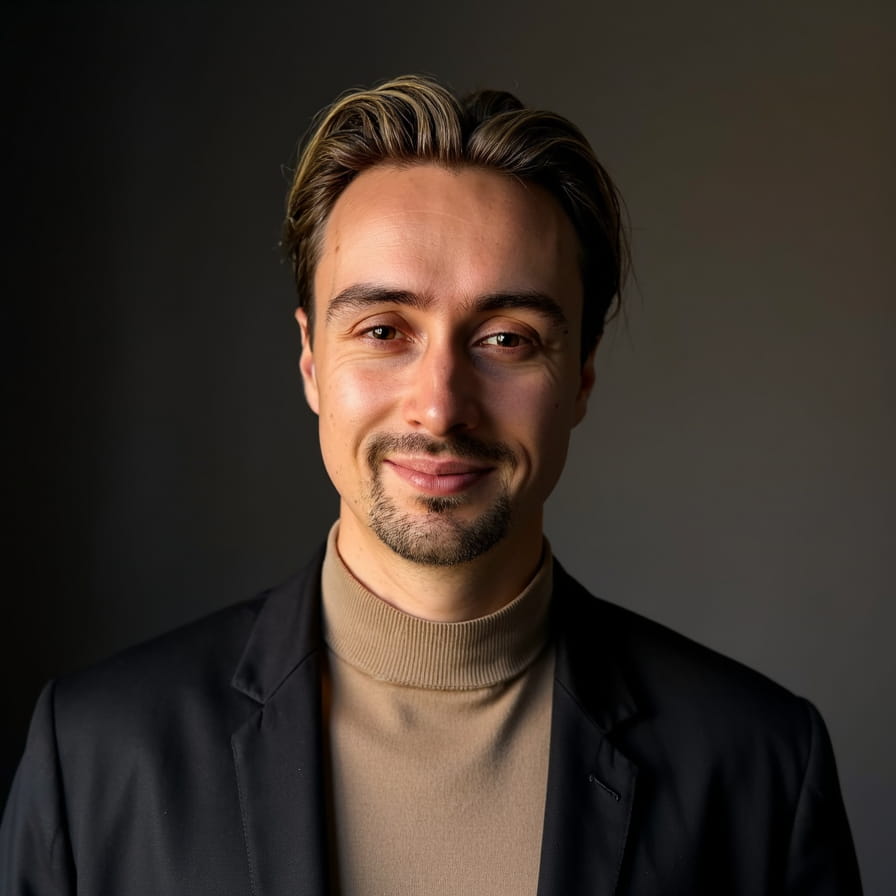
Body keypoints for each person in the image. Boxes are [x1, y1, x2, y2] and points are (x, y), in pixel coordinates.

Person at [0, 74, 861, 895]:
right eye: (383, 330)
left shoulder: (759, 764)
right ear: (310, 361)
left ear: (583, 377)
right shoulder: (95, 754)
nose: (441, 407)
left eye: (507, 339)